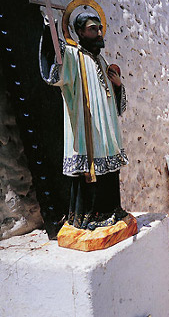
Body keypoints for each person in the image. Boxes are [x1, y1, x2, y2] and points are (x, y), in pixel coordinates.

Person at [40, 12, 128, 230]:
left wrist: (118, 86)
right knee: (90, 169)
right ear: (79, 32)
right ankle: (90, 215)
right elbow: (55, 73)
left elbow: (112, 97)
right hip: (87, 124)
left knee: (109, 167)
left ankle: (111, 209)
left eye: (99, 28)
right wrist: (49, 30)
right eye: (92, 29)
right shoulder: (73, 55)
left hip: (106, 127)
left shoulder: (100, 58)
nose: (98, 33)